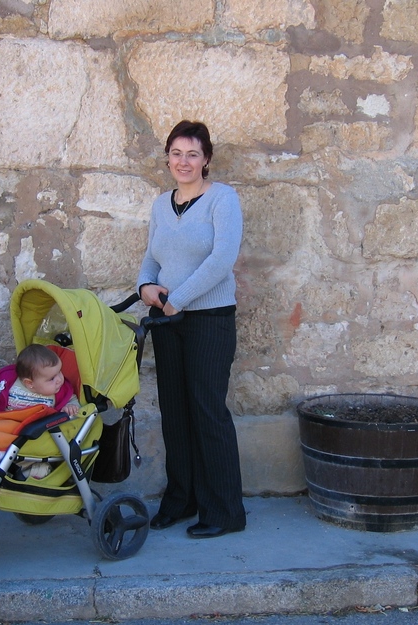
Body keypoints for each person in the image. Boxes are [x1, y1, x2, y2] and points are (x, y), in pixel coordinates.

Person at [137, 120, 246, 539]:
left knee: (207, 411)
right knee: (175, 413)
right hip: (167, 319)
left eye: (193, 154)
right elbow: (152, 257)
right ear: (168, 157)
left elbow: (222, 260)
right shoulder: (162, 204)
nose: (184, 161)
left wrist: (176, 300)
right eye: (177, 153)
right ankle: (180, 500)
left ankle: (223, 512)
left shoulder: (222, 199)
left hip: (208, 321)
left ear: (206, 160)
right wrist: (145, 286)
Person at [0, 344, 81, 479]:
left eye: (59, 372)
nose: (59, 380)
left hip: (28, 434)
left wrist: (71, 406)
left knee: (33, 452)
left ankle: (20, 471)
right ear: (30, 383)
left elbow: (71, 398)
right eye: (51, 379)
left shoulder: (60, 391)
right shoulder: (8, 381)